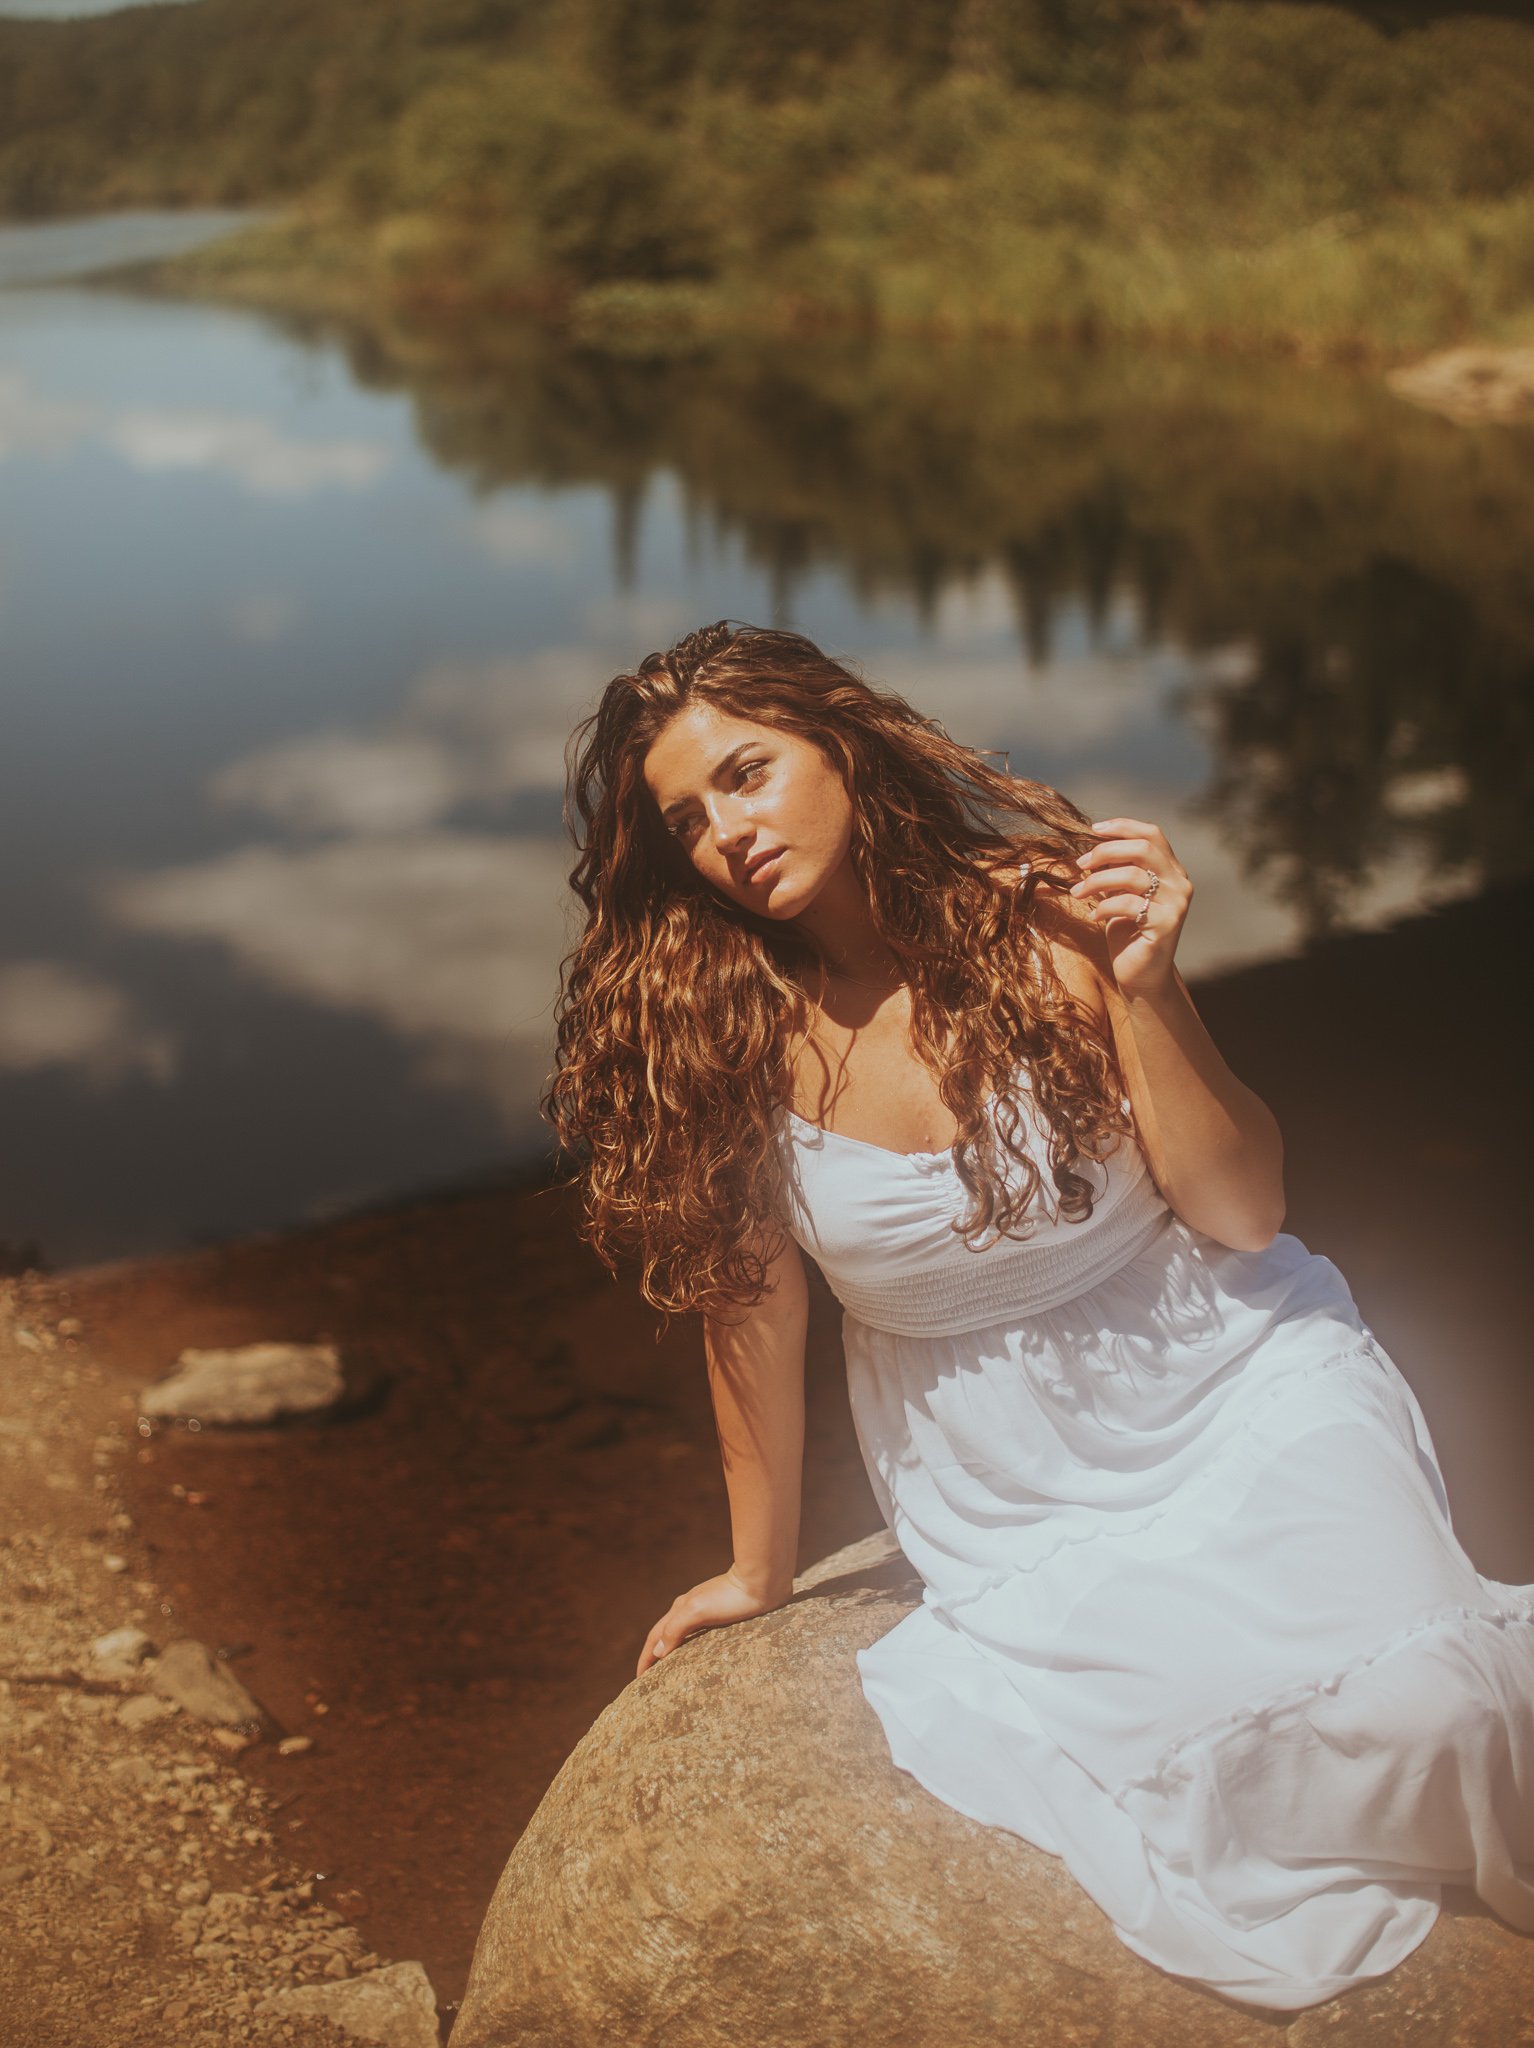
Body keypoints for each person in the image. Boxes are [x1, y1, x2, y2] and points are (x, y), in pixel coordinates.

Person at [542, 619, 1534, 2012]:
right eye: (690, 819)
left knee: (1436, 1711)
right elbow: (747, 1320)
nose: (728, 834)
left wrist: (1148, 986)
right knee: (1235, 1760)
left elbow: (1241, 1208)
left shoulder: (1038, 918)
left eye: (748, 775)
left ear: (840, 742)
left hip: (1238, 1372)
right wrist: (754, 1575)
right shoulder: (727, 1031)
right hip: (1006, 1476)